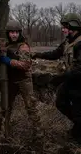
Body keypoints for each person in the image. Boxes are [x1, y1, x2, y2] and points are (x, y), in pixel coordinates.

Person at [32, 13, 81, 143]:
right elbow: (56, 53)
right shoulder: (68, 41)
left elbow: (80, 69)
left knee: (77, 111)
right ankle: (78, 127)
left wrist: (60, 78)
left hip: (78, 84)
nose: (63, 29)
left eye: (65, 26)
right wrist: (37, 54)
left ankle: (77, 134)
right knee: (61, 103)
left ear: (73, 26)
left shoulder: (80, 43)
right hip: (70, 81)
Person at [0, 20, 43, 145]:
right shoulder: (6, 45)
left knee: (31, 107)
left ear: (20, 33)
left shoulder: (23, 46)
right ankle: (4, 133)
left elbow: (25, 65)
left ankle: (39, 134)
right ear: (7, 33)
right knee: (6, 108)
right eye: (11, 32)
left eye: (16, 32)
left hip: (24, 80)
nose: (14, 35)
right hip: (10, 81)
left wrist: (8, 61)